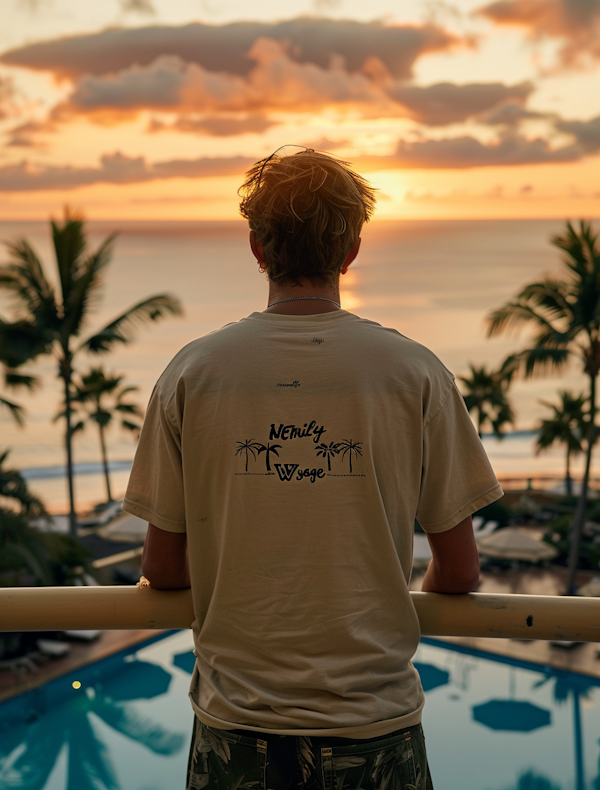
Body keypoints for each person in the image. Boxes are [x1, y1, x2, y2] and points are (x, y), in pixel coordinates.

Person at [124, 148, 503, 790]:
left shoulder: (193, 374)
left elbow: (161, 570)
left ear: (257, 248)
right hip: (376, 730)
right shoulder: (415, 373)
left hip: (236, 731)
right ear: (352, 250)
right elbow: (460, 571)